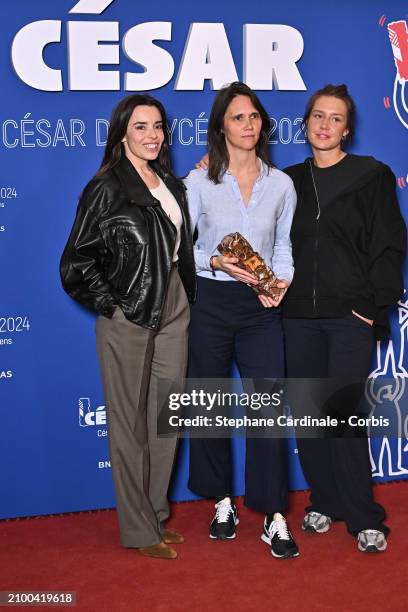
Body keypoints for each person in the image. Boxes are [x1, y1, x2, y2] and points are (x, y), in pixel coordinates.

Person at [60, 94, 196, 560]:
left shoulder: (170, 183)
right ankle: (138, 531)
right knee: (129, 426)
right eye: (141, 127)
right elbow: (76, 261)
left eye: (157, 126)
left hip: (174, 305)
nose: (152, 135)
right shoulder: (106, 187)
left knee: (166, 419)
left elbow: (177, 250)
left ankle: (155, 516)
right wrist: (113, 306)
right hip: (130, 312)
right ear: (122, 134)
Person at [282, 84, 406, 553]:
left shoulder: (371, 175)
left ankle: (363, 515)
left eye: (335, 118)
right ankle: (325, 501)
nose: (325, 125)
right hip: (296, 317)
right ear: (306, 123)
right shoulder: (286, 180)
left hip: (349, 317)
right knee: (310, 417)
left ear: (347, 129)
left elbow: (389, 245)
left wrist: (372, 310)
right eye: (318, 116)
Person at [185, 82, 299, 559]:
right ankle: (222, 502)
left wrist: (283, 280)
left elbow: (283, 245)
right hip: (210, 303)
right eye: (237, 117)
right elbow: (180, 249)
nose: (247, 125)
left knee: (268, 406)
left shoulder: (282, 184)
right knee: (208, 402)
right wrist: (215, 262)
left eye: (254, 116)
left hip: (261, 308)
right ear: (221, 126)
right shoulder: (198, 181)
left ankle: (273, 515)